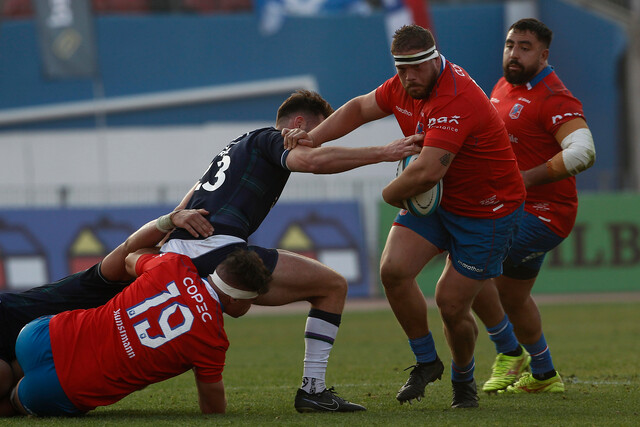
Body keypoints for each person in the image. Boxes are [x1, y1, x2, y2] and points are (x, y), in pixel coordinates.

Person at [283, 25, 527, 409]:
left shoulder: (455, 98)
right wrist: (314, 138)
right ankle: (427, 360)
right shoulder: (405, 83)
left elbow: (428, 171)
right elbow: (360, 108)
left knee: (450, 303)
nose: (409, 77)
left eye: (417, 67)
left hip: (488, 212)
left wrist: (387, 194)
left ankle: (464, 380)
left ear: (435, 59)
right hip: (441, 203)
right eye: (401, 69)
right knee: (393, 270)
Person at [160, 89, 421, 413]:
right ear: (298, 123)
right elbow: (311, 161)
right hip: (215, 250)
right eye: (318, 134)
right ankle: (312, 391)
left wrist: (168, 227)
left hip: (177, 253)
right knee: (332, 286)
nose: (318, 142)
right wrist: (385, 151)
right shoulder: (273, 139)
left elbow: (193, 193)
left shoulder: (238, 145)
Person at [471, 18, 595, 394]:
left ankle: (509, 352)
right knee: (512, 296)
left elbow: (583, 152)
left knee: (466, 267)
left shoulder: (555, 98)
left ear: (543, 55)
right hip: (513, 209)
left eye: (524, 47)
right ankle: (544, 373)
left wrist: (522, 179)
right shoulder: (503, 85)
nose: (514, 53)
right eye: (510, 44)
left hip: (544, 214)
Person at [6, 245, 272, 417]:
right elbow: (213, 408)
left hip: (44, 334)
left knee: (15, 369)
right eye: (252, 299)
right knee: (14, 400)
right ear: (236, 299)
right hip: (66, 387)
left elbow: (131, 259)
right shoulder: (212, 341)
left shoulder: (174, 265)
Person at [0, 208, 214, 415]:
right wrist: (170, 219)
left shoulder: (163, 296)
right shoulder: (108, 282)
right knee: (7, 379)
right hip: (9, 320)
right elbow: (128, 248)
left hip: (40, 353)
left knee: (19, 390)